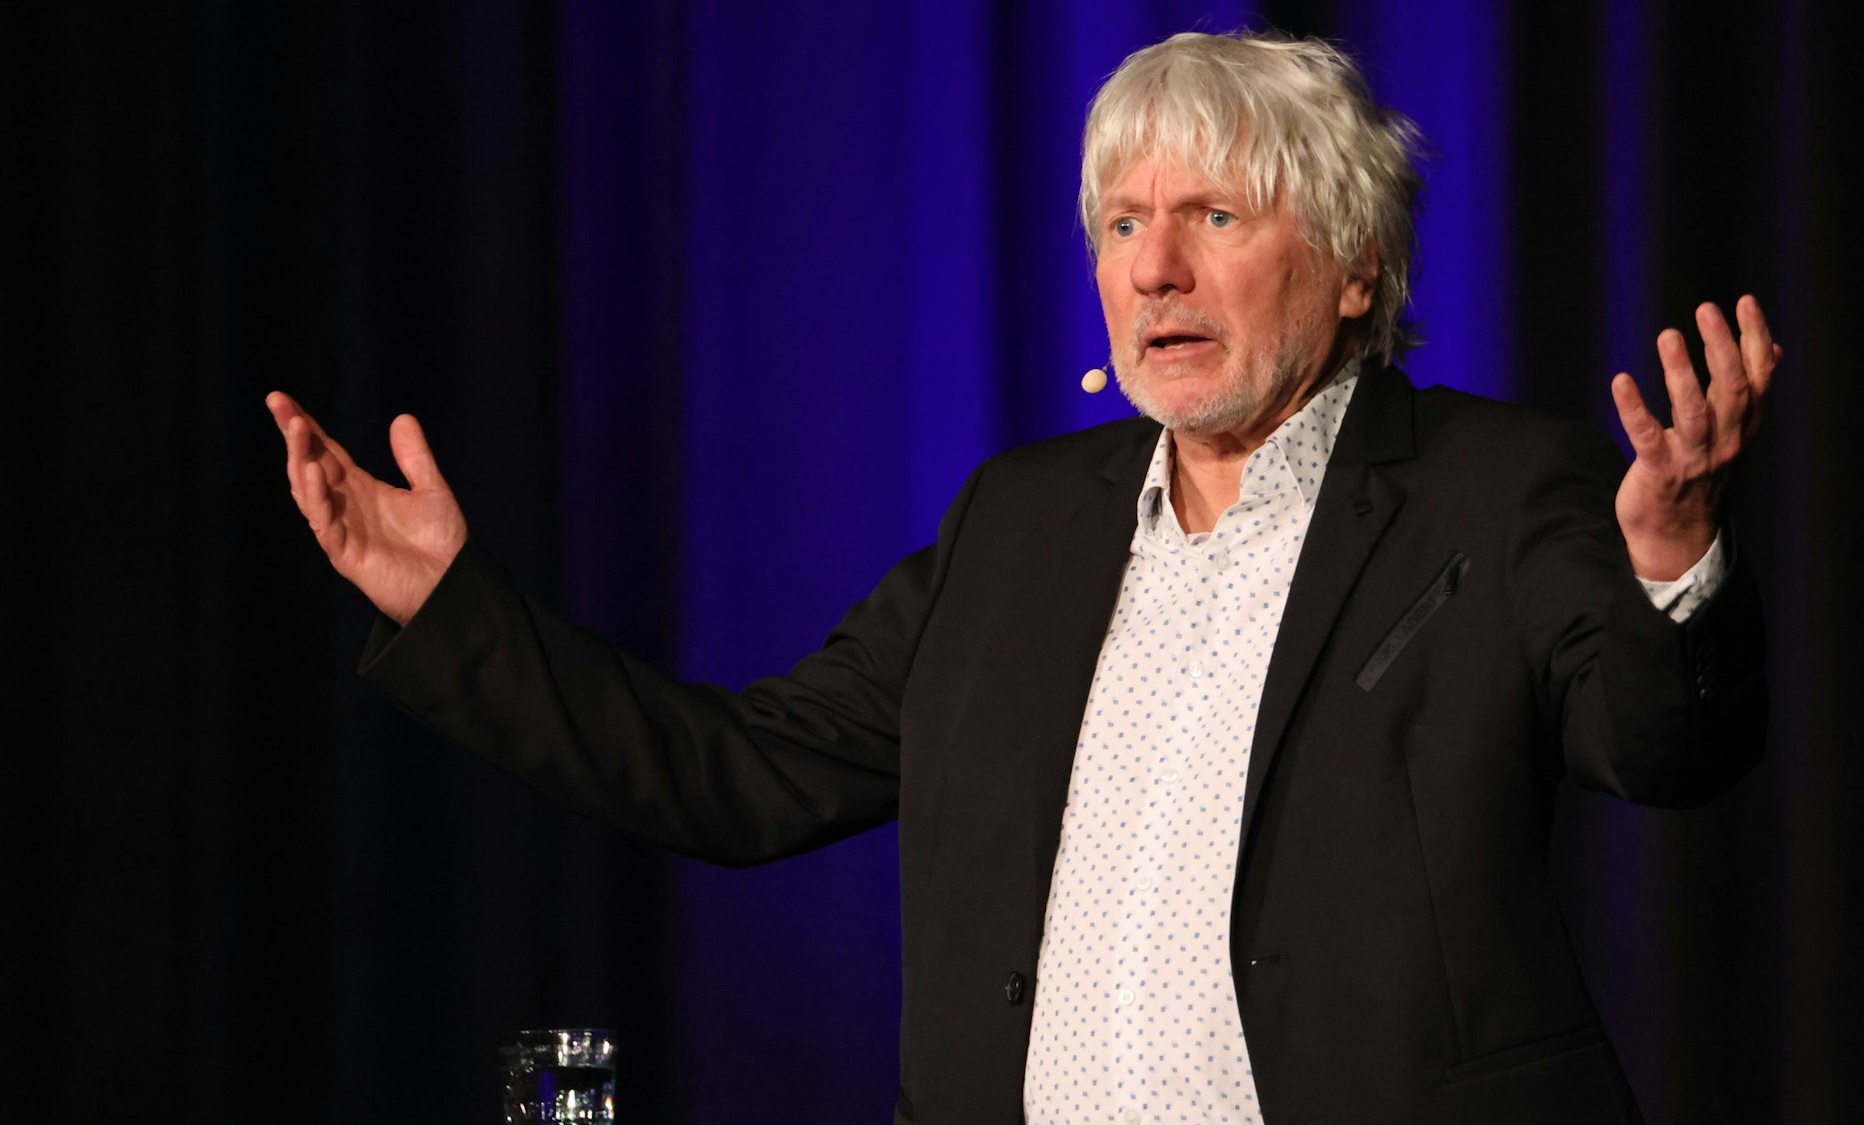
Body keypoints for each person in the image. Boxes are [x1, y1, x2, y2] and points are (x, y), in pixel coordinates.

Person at [269, 30, 1774, 1125]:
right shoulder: (1019, 523)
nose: (1154, 269)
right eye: (1124, 225)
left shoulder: (1496, 489)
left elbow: (1666, 749)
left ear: (1355, 264)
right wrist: (455, 607)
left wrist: (1669, 554)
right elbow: (732, 775)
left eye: (1214, 218)